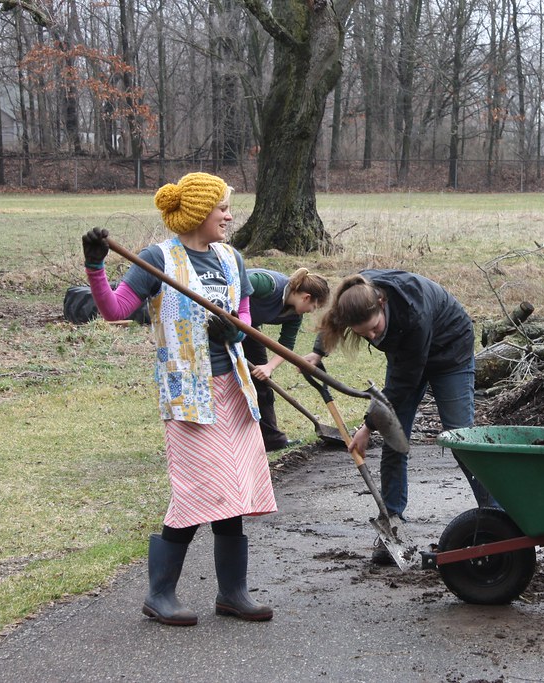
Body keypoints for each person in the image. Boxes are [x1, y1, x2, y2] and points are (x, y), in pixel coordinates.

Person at [81, 172, 277, 626]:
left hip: (233, 390)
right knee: (197, 491)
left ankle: (232, 594)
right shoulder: (157, 259)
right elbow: (115, 311)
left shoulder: (231, 258)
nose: (229, 215)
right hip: (188, 395)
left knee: (234, 492)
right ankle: (160, 594)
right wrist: (95, 268)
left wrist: (235, 329)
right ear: (197, 212)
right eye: (221, 207)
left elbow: (244, 318)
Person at [305, 270, 498, 565]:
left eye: (374, 328)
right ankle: (392, 520)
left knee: (460, 438)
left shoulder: (412, 313)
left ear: (382, 303)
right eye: (363, 333)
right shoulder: (356, 295)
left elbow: (402, 386)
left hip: (450, 352)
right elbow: (334, 320)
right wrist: (318, 353)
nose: (372, 336)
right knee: (396, 440)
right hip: (405, 353)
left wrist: (367, 427)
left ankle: (498, 519)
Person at [243, 268, 329, 451]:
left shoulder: (294, 315)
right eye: (313, 307)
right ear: (306, 297)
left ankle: (272, 440)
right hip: (220, 321)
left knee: (262, 383)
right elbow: (234, 281)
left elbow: (286, 345)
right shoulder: (268, 284)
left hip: (248, 329)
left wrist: (269, 367)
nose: (310, 312)